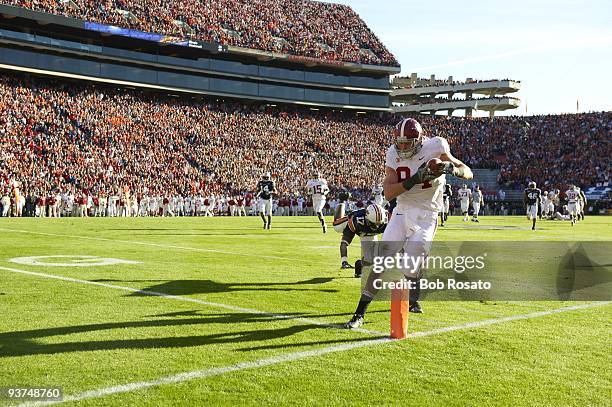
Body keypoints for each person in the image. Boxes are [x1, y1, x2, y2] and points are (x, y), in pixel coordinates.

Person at [345, 117, 472, 328]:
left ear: (420, 139)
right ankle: (359, 314)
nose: (402, 147)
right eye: (399, 142)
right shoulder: (393, 153)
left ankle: (414, 296)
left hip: (427, 214)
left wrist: (451, 169)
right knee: (381, 262)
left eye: (407, 143)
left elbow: (467, 171)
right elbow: (388, 192)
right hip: (402, 211)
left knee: (410, 267)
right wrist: (416, 178)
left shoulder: (436, 146)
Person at [333, 203, 388, 274]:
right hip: (355, 225)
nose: (376, 227)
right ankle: (341, 205)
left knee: (370, 260)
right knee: (337, 227)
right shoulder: (355, 220)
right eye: (373, 224)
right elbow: (345, 241)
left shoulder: (387, 220)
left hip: (367, 233)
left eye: (379, 224)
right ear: (366, 217)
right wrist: (344, 261)